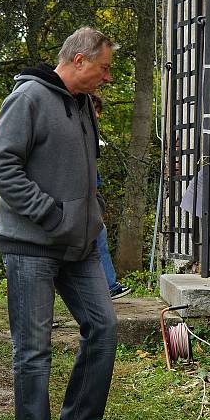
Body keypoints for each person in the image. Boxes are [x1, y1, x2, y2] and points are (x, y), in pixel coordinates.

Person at [0, 26, 119, 420]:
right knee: (34, 349)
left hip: (79, 247)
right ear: (79, 60)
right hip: (31, 246)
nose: (107, 77)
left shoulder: (82, 105)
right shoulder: (29, 99)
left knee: (104, 328)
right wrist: (50, 213)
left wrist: (88, 219)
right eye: (103, 68)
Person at [88, 93, 130, 301]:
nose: (98, 116)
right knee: (99, 237)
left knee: (98, 239)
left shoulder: (87, 134)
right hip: (85, 201)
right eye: (95, 111)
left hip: (89, 199)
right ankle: (108, 285)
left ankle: (106, 285)